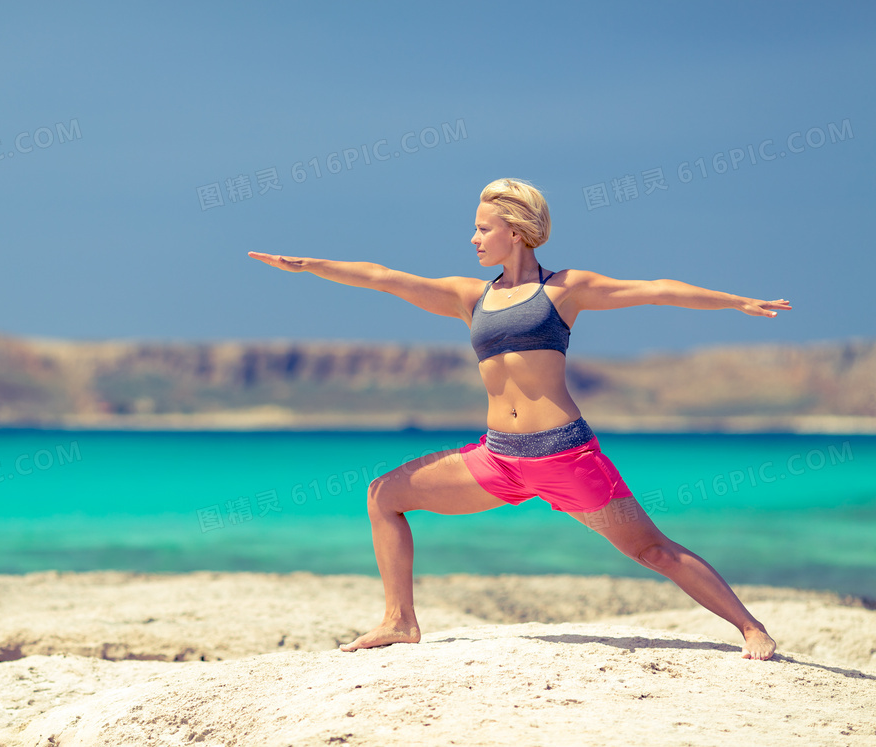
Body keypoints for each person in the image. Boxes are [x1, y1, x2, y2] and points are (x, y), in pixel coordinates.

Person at [248, 178, 790, 660]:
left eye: (483, 228)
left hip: (565, 456)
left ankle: (750, 628)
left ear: (516, 229)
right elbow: (384, 277)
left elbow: (656, 290)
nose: (473, 238)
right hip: (499, 459)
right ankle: (399, 620)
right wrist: (307, 265)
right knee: (383, 495)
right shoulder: (470, 297)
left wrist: (735, 301)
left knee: (653, 550)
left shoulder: (565, 289)